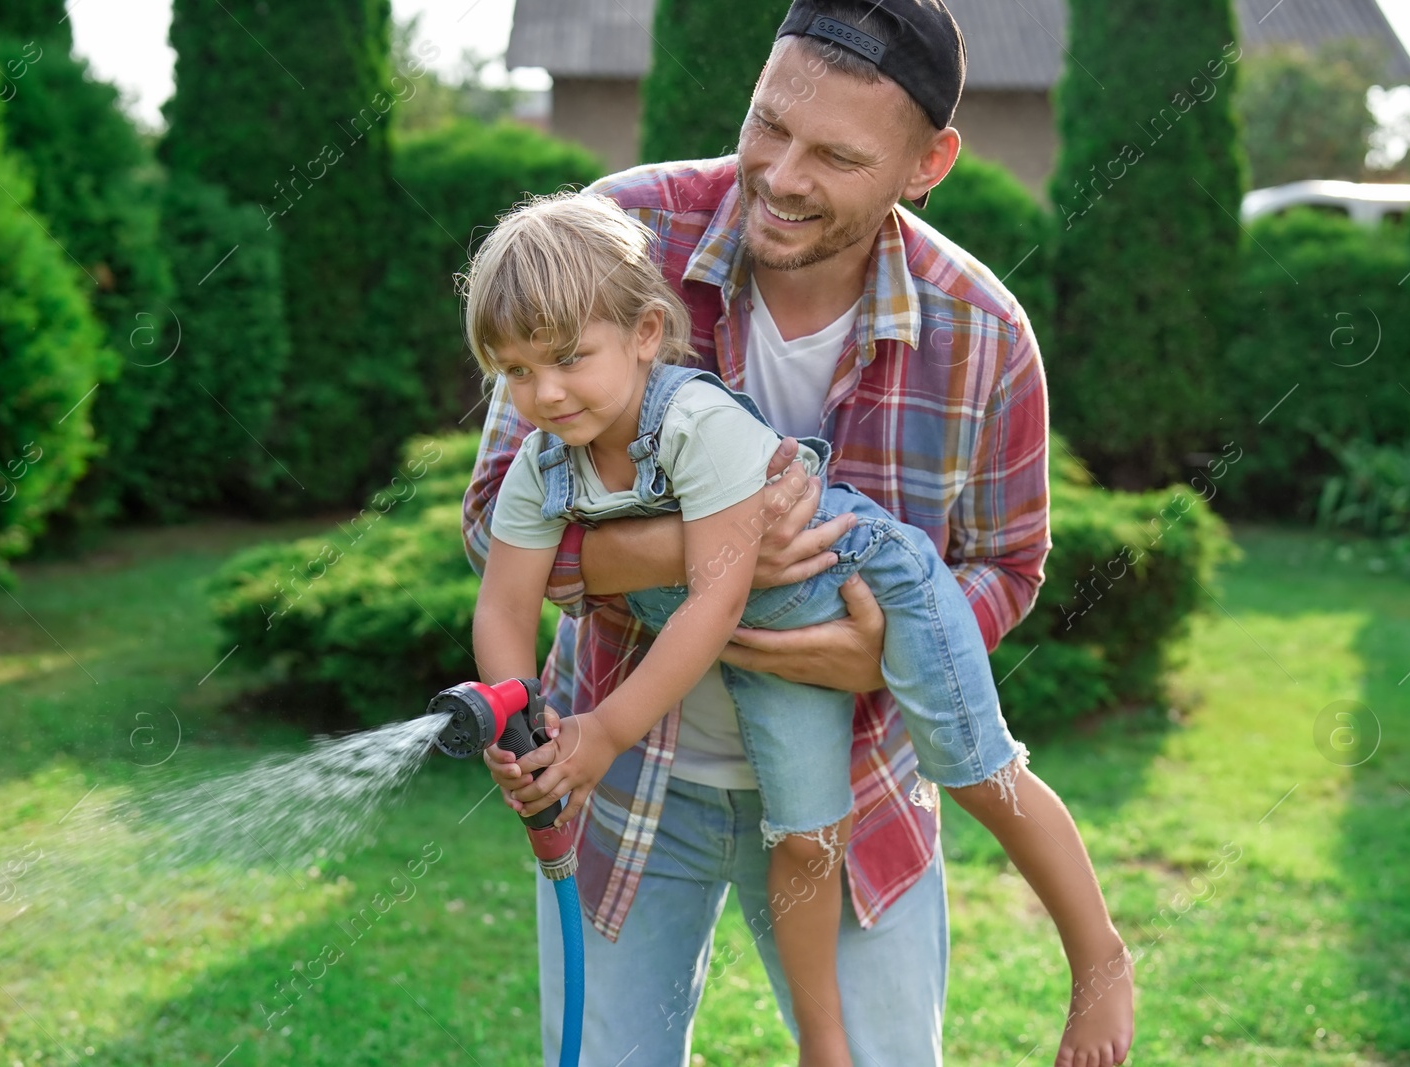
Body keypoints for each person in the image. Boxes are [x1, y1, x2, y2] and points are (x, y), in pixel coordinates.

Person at [461, 2, 1135, 1064]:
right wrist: (707, 560)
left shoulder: (983, 333)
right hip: (634, 778)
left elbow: (1006, 561)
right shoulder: (615, 241)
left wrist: (879, 652)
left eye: (834, 154)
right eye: (767, 124)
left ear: (929, 162)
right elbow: (494, 519)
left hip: (860, 776)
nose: (778, 174)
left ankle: (1099, 954)